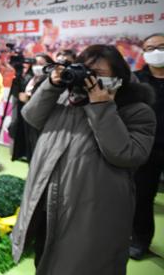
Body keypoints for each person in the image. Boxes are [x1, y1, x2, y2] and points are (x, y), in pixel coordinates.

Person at [11, 45, 156, 275]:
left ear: (119, 78)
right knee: (46, 257)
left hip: (91, 214)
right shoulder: (65, 100)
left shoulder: (137, 111)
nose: (90, 80)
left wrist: (102, 107)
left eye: (98, 75)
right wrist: (52, 85)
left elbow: (127, 154)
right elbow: (31, 116)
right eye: (86, 72)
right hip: (49, 202)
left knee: (82, 263)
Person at [130, 33, 164, 259]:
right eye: (149, 48)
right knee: (142, 197)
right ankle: (140, 240)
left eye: (161, 47)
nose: (155, 52)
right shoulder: (135, 80)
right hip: (148, 147)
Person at [11, 53, 54, 162]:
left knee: (38, 150)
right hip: (26, 118)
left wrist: (29, 99)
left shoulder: (50, 81)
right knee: (28, 147)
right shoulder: (30, 77)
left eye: (40, 64)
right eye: (34, 63)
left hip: (39, 121)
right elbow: (17, 91)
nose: (36, 66)